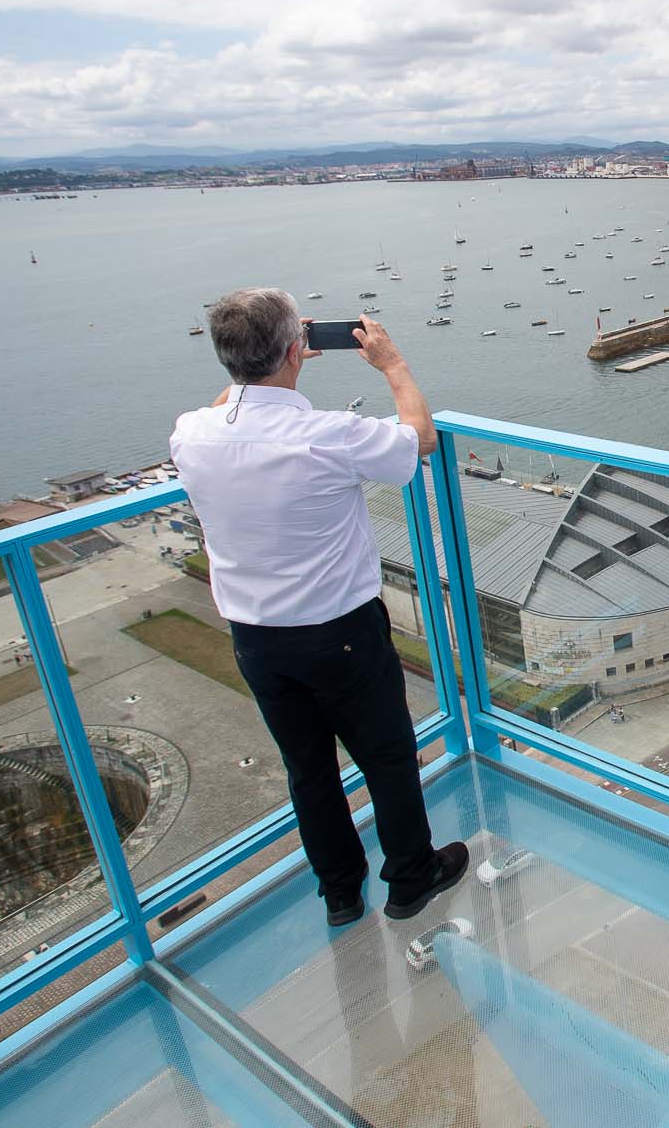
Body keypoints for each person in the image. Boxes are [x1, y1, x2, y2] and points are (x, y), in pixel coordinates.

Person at [171, 290, 467, 926]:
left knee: (308, 770)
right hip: (341, 632)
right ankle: (411, 879)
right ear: (294, 352)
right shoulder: (330, 434)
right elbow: (420, 439)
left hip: (256, 637)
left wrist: (264, 362)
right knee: (386, 757)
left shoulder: (191, 434)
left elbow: (230, 405)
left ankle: (339, 892)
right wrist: (392, 364)